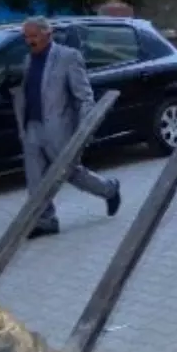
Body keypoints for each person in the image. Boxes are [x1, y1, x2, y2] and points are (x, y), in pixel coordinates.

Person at [12, 17, 121, 240]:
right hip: (32, 127)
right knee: (35, 179)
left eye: (33, 36)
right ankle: (45, 221)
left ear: (47, 34)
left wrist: (85, 129)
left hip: (59, 128)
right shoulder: (28, 60)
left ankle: (109, 189)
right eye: (26, 37)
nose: (29, 41)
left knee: (70, 172)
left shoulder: (68, 57)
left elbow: (84, 96)